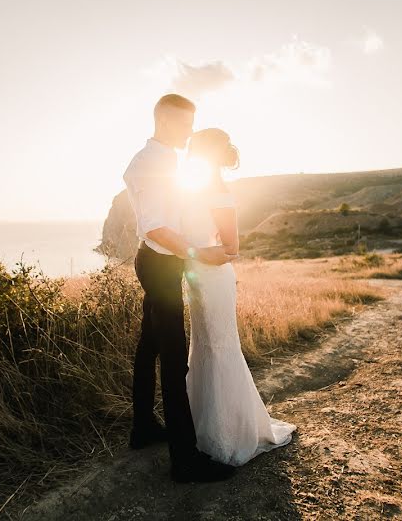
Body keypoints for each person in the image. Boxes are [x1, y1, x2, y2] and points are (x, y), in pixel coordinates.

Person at [122, 93, 238, 483]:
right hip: (159, 264)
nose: (190, 132)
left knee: (148, 346)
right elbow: (155, 226)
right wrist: (198, 252)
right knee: (174, 360)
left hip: (161, 262)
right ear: (167, 122)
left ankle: (143, 428)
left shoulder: (166, 159)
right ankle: (185, 461)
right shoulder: (150, 164)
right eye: (187, 124)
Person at [180, 128, 297, 466]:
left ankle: (228, 435)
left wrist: (191, 251)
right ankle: (201, 428)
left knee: (219, 346)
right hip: (196, 277)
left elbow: (231, 247)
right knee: (201, 346)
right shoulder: (191, 190)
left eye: (195, 149)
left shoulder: (220, 192)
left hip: (213, 277)